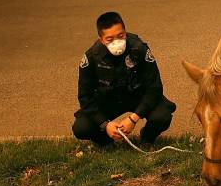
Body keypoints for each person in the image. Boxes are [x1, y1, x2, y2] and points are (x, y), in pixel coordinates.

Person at [72, 12, 176, 147]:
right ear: (101, 39)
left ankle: (147, 138)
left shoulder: (139, 48)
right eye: (110, 39)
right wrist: (105, 124)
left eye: (120, 36)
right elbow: (85, 97)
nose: (117, 42)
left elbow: (154, 87)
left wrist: (133, 118)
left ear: (125, 32)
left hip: (137, 95)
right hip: (108, 99)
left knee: (162, 116)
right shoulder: (91, 57)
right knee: (81, 128)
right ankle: (108, 138)